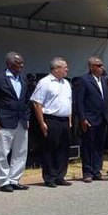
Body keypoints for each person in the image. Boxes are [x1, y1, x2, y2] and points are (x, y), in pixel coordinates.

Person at [0, 52, 31, 193]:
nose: (22, 65)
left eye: (22, 63)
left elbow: (26, 100)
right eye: (19, 63)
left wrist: (27, 117)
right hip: (4, 120)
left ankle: (14, 179)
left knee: (21, 151)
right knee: (2, 152)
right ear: (10, 64)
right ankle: (3, 181)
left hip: (21, 120)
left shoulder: (23, 78)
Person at [31, 57, 73, 187]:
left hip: (64, 119)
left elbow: (69, 102)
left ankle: (60, 176)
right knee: (50, 149)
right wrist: (42, 123)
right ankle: (50, 177)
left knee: (63, 149)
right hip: (51, 119)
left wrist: (70, 120)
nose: (67, 69)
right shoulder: (45, 82)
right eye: (64, 67)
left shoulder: (66, 83)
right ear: (56, 69)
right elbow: (37, 103)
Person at [75, 56, 108, 183]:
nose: (101, 68)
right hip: (89, 118)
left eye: (101, 65)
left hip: (102, 118)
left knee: (99, 147)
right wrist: (82, 118)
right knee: (88, 146)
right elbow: (79, 101)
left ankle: (97, 170)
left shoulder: (104, 80)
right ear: (91, 67)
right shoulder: (84, 80)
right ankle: (87, 172)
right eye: (98, 65)